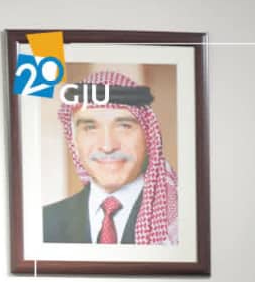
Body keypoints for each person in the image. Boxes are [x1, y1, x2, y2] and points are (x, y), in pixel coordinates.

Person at [43, 70, 178, 245]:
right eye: (90, 128)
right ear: (74, 142)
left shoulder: (180, 219)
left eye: (124, 126)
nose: (107, 146)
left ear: (148, 136)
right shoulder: (44, 222)